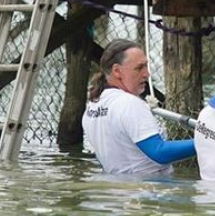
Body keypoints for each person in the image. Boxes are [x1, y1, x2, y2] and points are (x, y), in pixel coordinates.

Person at [82, 39, 196, 176]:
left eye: (146, 66)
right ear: (117, 71)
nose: (147, 74)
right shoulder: (129, 104)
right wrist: (205, 141)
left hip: (115, 189)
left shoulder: (92, 106)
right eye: (139, 68)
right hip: (147, 189)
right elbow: (159, 152)